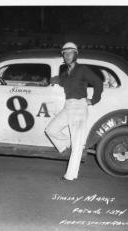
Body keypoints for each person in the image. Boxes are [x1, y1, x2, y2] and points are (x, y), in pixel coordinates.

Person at [45, 42, 103, 181]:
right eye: (65, 53)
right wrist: (49, 80)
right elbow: (60, 80)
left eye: (70, 53)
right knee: (51, 129)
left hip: (79, 107)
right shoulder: (66, 74)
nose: (67, 55)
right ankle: (69, 145)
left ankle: (70, 175)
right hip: (68, 106)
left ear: (75, 55)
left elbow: (98, 82)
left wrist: (93, 100)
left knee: (77, 144)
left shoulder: (82, 69)